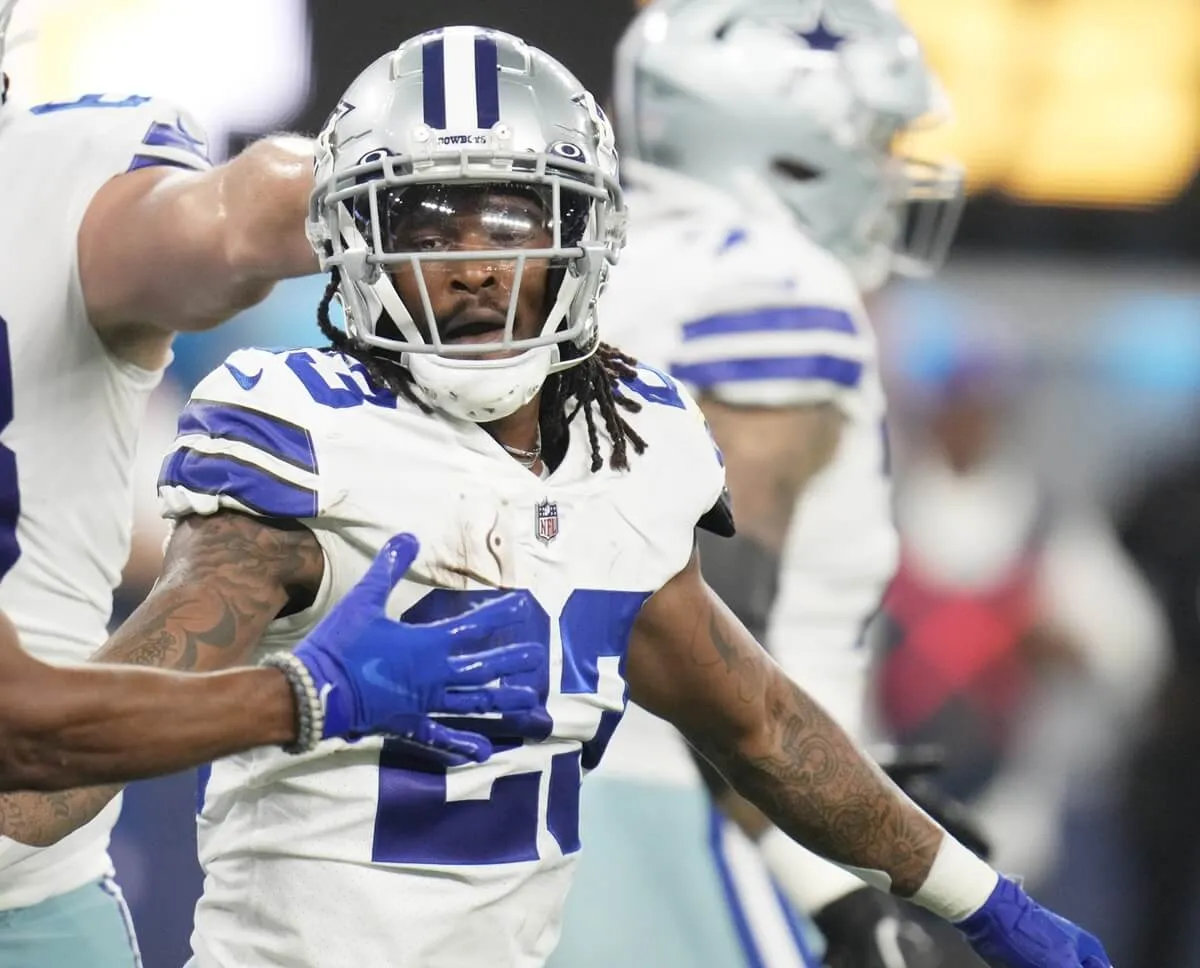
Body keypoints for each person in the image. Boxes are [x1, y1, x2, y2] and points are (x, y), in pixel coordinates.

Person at [31, 25, 1111, 968]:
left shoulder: (629, 446)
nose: (470, 267)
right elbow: (67, 762)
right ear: (354, 243)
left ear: (583, 242)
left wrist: (983, 899)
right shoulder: (301, 438)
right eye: (425, 225)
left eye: (509, 225)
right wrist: (308, 694)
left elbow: (763, 723)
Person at [0, 2, 538, 964]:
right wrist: (310, 696)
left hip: (34, 893)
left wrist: (398, 183)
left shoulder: (54, 184)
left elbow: (232, 220)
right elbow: (22, 740)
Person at [554, 3, 971, 966]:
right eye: (875, 139)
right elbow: (712, 652)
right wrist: (838, 874)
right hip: (673, 808)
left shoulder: (598, 263)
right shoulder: (779, 290)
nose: (889, 168)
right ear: (784, 148)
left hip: (555, 797)